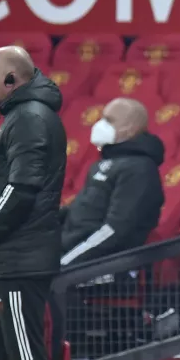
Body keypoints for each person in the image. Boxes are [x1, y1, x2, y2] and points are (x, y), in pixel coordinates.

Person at [0, 46, 67, 360]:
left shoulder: (29, 118)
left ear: (11, 80)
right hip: (9, 261)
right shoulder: (20, 116)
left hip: (19, 262)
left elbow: (21, 189)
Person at [60, 97, 165, 266]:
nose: (100, 125)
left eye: (109, 120)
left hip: (100, 267)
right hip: (72, 255)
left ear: (130, 129)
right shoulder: (101, 165)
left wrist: (64, 264)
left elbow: (115, 230)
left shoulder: (140, 170)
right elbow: (82, 211)